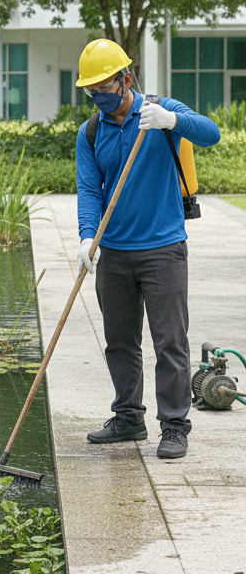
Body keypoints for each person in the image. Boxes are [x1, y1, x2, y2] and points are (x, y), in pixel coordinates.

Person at [74, 38, 220, 459]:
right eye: (91, 89)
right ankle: (128, 417)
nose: (99, 95)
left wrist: (172, 121)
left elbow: (211, 134)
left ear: (126, 79)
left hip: (163, 248)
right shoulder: (91, 131)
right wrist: (88, 236)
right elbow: (88, 189)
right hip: (114, 252)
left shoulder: (161, 110)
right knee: (119, 341)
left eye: (105, 85)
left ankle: (174, 425)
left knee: (169, 341)